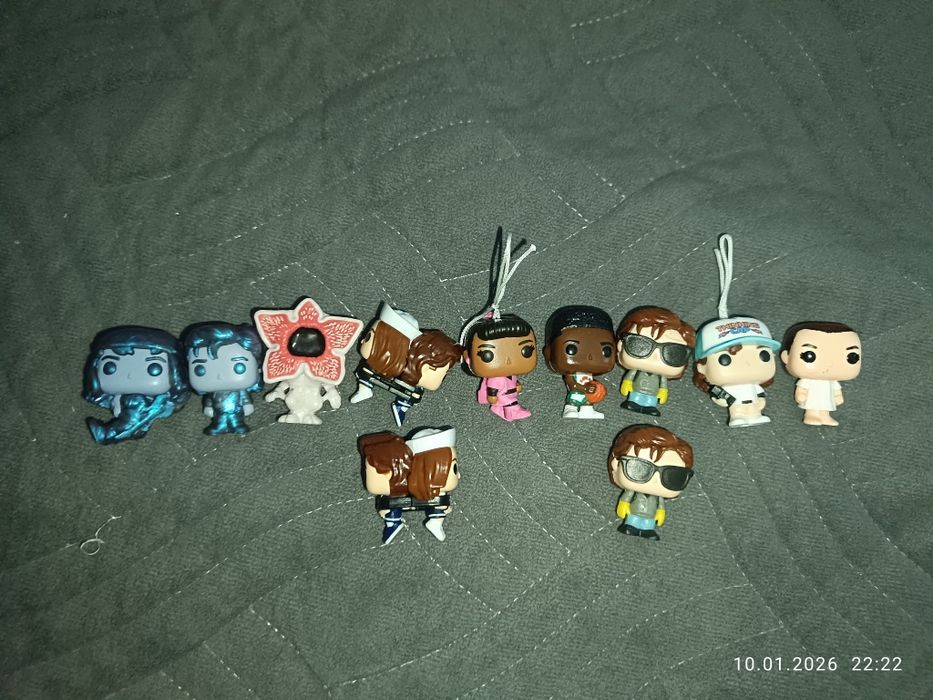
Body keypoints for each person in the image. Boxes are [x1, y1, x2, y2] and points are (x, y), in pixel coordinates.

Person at [359, 427, 460, 544]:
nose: (459, 476)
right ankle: (394, 523)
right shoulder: (397, 481)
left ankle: (433, 522)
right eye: (454, 468)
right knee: (389, 507)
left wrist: (445, 507)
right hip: (396, 498)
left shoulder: (437, 494)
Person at [608, 425, 694, 540]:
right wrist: (623, 504)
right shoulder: (632, 491)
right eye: (639, 468)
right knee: (633, 521)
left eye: (672, 475)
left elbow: (661, 505)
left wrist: (661, 513)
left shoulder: (659, 497)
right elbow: (627, 496)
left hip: (650, 516)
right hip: (634, 512)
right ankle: (630, 526)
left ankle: (647, 530)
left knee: (648, 524)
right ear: (616, 464)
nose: (655, 479)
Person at [616, 306, 695, 416]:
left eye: (673, 353)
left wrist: (663, 392)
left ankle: (650, 407)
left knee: (650, 401)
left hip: (652, 394)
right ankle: (633, 402)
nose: (655, 357)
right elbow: (629, 377)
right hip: (636, 390)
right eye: (640, 346)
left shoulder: (662, 377)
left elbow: (663, 385)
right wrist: (627, 383)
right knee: (635, 397)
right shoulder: (635, 371)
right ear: (620, 345)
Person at [781, 321, 862, 426]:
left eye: (852, 357)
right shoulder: (807, 381)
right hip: (812, 399)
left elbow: (837, 391)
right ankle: (811, 415)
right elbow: (802, 389)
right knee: (813, 406)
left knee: (825, 407)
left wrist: (838, 396)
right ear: (786, 357)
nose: (829, 363)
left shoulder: (833, 382)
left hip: (826, 399)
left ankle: (825, 417)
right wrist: (801, 395)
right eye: (809, 355)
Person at [543, 305, 616, 419]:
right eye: (572, 349)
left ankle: (587, 411)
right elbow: (571, 384)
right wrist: (584, 388)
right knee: (573, 402)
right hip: (576, 393)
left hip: (588, 394)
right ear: (549, 352)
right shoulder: (571, 374)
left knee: (587, 402)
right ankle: (570, 409)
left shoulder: (590, 374)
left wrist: (598, 389)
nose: (590, 357)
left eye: (606, 351)